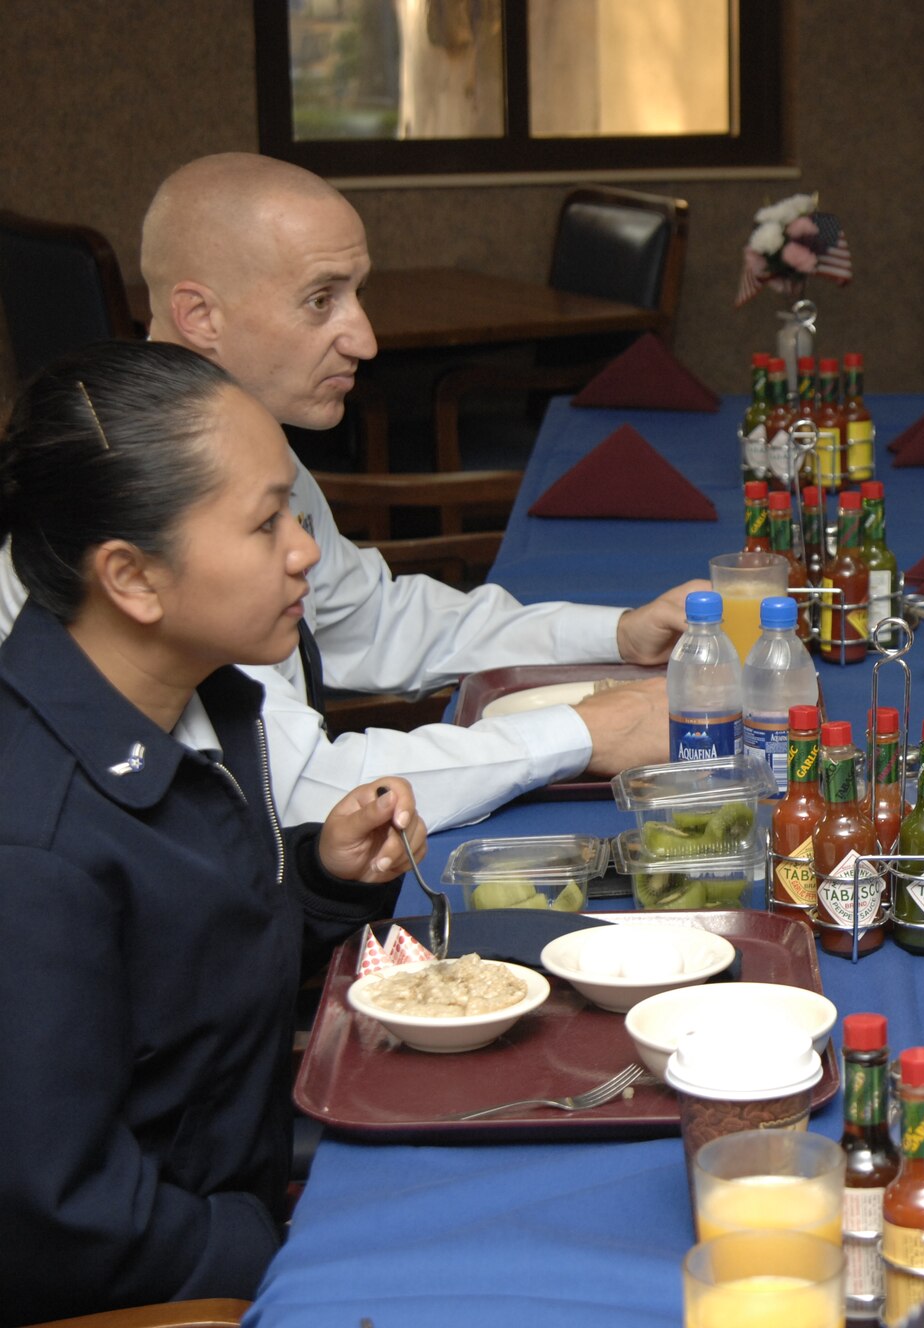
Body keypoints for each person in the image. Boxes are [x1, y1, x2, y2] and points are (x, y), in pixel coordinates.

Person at [0, 152, 701, 831]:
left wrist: (615, 631)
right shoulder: (133, 494)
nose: (364, 339)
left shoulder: (246, 448)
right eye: (320, 300)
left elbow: (369, 621)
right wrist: (585, 733)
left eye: (356, 294)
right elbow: (302, 789)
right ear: (201, 316)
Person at [0, 341, 423, 1322]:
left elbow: (187, 987)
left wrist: (321, 879)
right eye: (264, 520)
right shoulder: (35, 843)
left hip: (252, 1178)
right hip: (178, 1273)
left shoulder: (203, 705)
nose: (304, 548)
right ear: (133, 578)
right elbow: (63, 1218)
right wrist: (282, 1251)